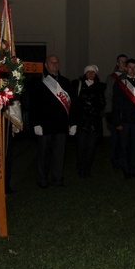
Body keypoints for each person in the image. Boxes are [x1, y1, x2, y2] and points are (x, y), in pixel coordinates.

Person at [28, 54, 76, 188]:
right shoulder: (38, 82)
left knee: (59, 154)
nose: (55, 64)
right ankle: (42, 178)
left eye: (57, 62)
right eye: (52, 62)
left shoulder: (65, 82)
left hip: (61, 125)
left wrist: (73, 122)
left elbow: (72, 103)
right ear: (46, 65)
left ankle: (57, 179)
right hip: (45, 125)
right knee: (43, 153)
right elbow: (33, 105)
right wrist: (35, 123)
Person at [70, 64, 106, 178]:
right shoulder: (78, 85)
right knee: (81, 148)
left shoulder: (99, 87)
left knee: (90, 148)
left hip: (93, 123)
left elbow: (102, 102)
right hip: (82, 122)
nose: (91, 74)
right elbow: (74, 103)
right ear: (85, 73)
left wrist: (94, 108)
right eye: (89, 72)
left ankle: (87, 169)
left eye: (93, 72)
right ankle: (81, 169)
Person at [104, 54, 128, 171]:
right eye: (121, 62)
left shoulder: (130, 75)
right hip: (115, 112)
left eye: (125, 62)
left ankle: (125, 161)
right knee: (115, 139)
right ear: (117, 63)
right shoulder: (112, 77)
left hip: (127, 113)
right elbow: (108, 96)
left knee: (126, 140)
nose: (123, 64)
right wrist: (109, 112)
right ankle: (115, 162)